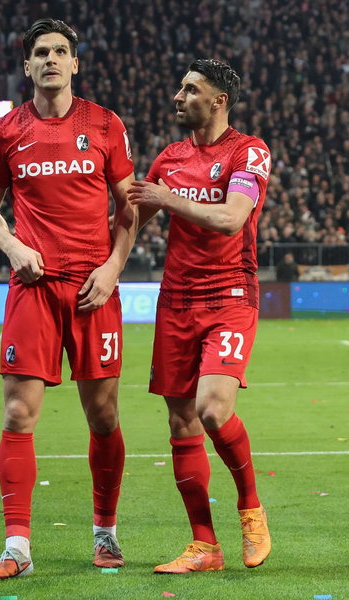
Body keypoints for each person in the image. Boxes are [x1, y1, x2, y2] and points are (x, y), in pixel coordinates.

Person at [0, 19, 136, 580]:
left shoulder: (106, 125)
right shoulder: (5, 131)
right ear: (27, 66)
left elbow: (128, 209)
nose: (50, 60)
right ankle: (16, 548)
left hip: (93, 291)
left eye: (60, 52)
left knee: (103, 414)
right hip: (33, 288)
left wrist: (114, 267)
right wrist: (14, 247)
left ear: (74, 63)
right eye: (40, 52)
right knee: (18, 413)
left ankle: (106, 533)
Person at [129, 59, 271, 574]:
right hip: (176, 303)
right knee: (181, 420)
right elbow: (131, 220)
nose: (178, 96)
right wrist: (106, 268)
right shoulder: (169, 159)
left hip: (230, 295)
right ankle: (204, 546)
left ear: (218, 101)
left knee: (212, 408)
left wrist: (168, 199)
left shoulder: (249, 150)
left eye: (190, 89)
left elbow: (233, 218)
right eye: (179, 87)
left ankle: (250, 508)